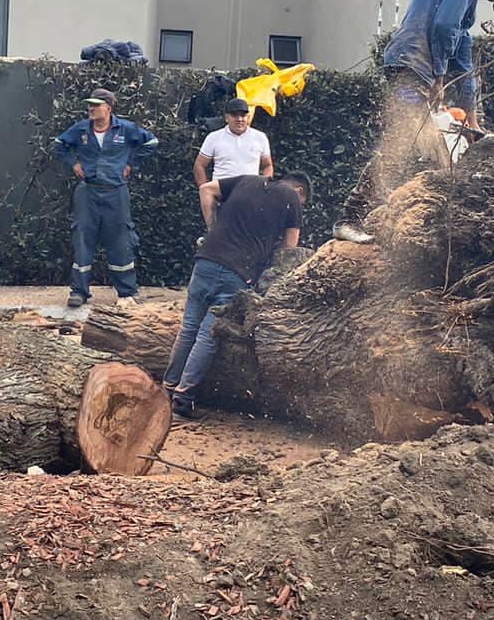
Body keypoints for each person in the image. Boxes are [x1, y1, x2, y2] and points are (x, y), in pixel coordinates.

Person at [334, 0, 494, 243]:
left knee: (424, 144)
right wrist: (440, 76)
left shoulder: (466, 11)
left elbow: (466, 67)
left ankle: (386, 216)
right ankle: (349, 218)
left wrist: (474, 120)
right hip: (411, 62)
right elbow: (443, 26)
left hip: (418, 66)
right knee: (401, 141)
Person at [164, 171, 309, 418]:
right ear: (300, 192)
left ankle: (166, 388)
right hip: (238, 272)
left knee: (188, 326)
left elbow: (206, 189)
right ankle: (183, 397)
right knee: (209, 334)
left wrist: (212, 228)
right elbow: (290, 248)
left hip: (206, 260)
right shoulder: (291, 197)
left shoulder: (246, 180)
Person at [54, 87, 159, 310]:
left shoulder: (125, 129)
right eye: (89, 105)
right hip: (88, 192)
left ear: (108, 109)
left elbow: (151, 143)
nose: (91, 109)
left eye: (96, 105)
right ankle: (79, 292)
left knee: (121, 238)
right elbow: (59, 145)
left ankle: (127, 291)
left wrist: (130, 163)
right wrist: (74, 163)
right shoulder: (81, 129)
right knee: (82, 236)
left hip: (116, 192)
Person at [194, 98, 273, 187]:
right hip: (222, 192)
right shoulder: (213, 138)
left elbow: (267, 165)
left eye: (243, 115)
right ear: (227, 118)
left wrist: (265, 185)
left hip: (251, 191)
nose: (239, 119)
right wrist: (204, 188)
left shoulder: (260, 137)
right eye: (234, 115)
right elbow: (199, 165)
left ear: (248, 117)